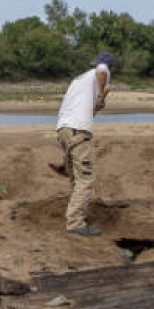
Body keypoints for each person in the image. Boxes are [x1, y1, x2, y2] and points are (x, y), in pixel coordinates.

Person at [56, 52, 114, 237]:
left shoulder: (79, 80)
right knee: (86, 179)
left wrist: (99, 101)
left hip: (63, 129)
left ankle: (76, 216)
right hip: (77, 131)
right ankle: (74, 223)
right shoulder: (99, 73)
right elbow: (102, 70)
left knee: (76, 178)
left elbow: (86, 111)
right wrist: (103, 90)